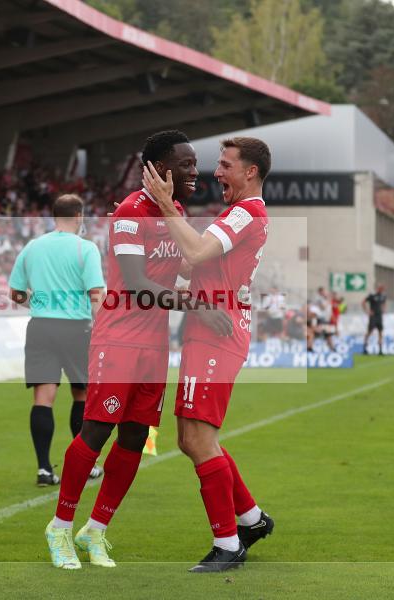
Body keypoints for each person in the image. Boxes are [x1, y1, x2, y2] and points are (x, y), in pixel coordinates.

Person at [44, 131, 231, 570]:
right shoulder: (129, 214)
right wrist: (196, 306)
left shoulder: (176, 212)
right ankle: (59, 527)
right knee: (96, 432)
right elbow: (137, 286)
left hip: (153, 344)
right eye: (185, 164)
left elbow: (183, 265)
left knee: (133, 437)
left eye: (194, 163)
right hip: (118, 340)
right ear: (158, 168)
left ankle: (97, 530)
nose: (193, 172)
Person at [142, 136, 274, 572]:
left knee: (198, 439)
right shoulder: (237, 213)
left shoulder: (244, 212)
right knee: (191, 438)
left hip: (218, 334)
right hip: (208, 329)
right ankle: (251, 520)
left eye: (225, 164)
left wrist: (165, 205)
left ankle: (228, 543)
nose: (217, 172)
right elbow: (189, 263)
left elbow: (195, 252)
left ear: (249, 171)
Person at [8, 194, 106, 487]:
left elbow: (15, 294)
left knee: (43, 398)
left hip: (40, 327)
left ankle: (43, 469)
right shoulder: (85, 249)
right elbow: (96, 294)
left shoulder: (32, 247)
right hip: (76, 329)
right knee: (82, 396)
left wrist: (38, 305)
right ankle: (85, 465)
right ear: (78, 216)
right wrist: (100, 329)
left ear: (54, 216)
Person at [362, 284, 387, 355]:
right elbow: (363, 302)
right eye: (381, 289)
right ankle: (365, 348)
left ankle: (380, 350)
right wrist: (367, 311)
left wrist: (384, 309)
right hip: (373, 317)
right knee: (369, 332)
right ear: (378, 289)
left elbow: (384, 303)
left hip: (379, 316)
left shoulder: (383, 296)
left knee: (380, 333)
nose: (382, 291)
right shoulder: (372, 296)